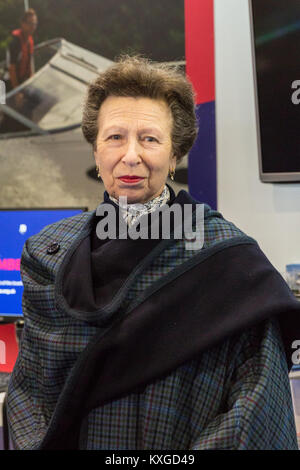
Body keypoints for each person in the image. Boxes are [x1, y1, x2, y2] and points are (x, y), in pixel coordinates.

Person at [6, 55, 300, 450]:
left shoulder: (229, 262)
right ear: (95, 151)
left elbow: (255, 408)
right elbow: (28, 395)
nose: (131, 156)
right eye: (114, 137)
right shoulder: (47, 254)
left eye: (149, 138)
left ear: (174, 154)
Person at [6, 8, 37, 108]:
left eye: (34, 24)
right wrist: (16, 92)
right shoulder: (15, 42)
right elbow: (11, 68)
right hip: (10, 84)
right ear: (22, 24)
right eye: (30, 23)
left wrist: (32, 81)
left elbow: (30, 62)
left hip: (22, 82)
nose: (33, 26)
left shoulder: (29, 41)